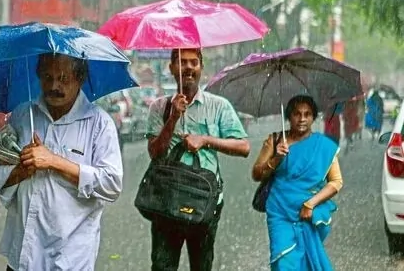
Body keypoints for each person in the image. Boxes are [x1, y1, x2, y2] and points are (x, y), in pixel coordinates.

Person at [0, 53, 123, 271]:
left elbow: (112, 185)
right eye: (47, 77)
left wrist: (55, 161)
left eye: (63, 78)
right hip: (22, 257)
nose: (54, 86)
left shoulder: (99, 123)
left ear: (80, 78)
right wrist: (19, 171)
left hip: (69, 260)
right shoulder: (22, 115)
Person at [146, 49, 250, 271]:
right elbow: (155, 152)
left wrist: (205, 140)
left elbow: (243, 146)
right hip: (167, 201)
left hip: (205, 203)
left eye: (194, 62)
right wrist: (172, 118)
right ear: (172, 68)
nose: (189, 67)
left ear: (201, 68)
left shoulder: (218, 106)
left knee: (201, 266)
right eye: (182, 62)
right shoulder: (159, 107)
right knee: (162, 266)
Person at [252, 95, 343, 270]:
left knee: (307, 261)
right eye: (297, 114)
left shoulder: (323, 145)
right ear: (289, 116)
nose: (302, 119)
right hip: (279, 211)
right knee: (283, 260)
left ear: (313, 117)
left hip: (307, 212)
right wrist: (276, 158)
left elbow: (336, 182)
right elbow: (256, 174)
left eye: (307, 114)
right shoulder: (275, 140)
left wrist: (310, 204)